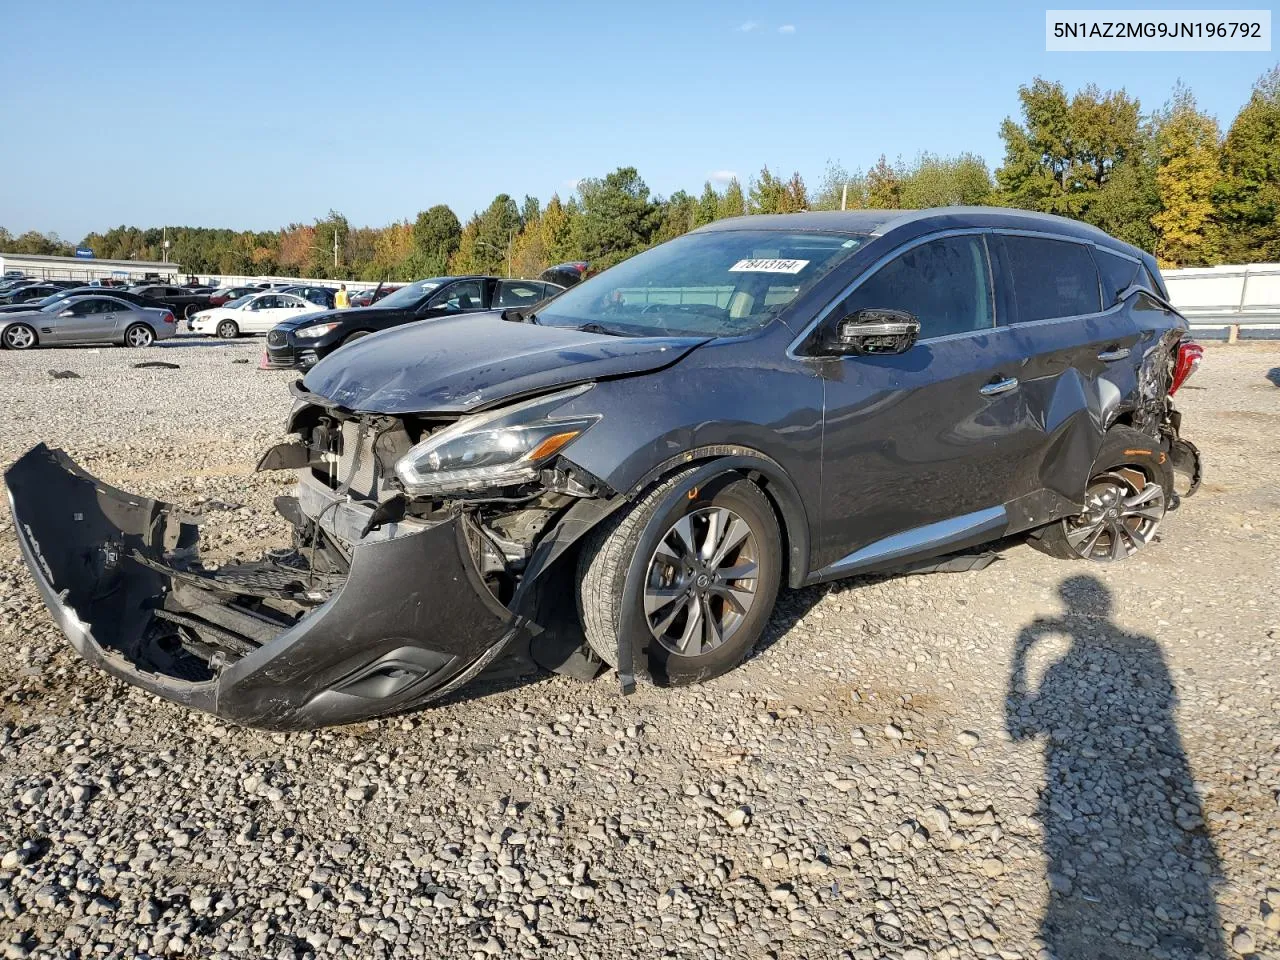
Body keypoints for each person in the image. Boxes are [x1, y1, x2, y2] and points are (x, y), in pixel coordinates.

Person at [1006, 576, 1226, 960]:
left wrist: (1023, 660)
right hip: (1157, 766)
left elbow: (1029, 723)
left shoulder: (1117, 653)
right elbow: (1167, 700)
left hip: (1070, 771)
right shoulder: (1144, 648)